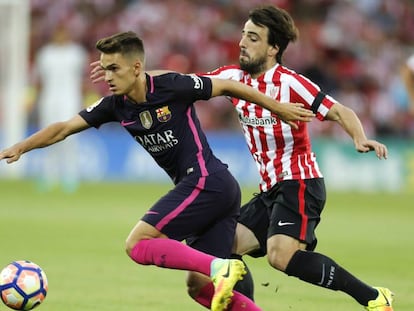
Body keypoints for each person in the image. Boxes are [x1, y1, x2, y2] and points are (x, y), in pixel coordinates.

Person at [90, 5, 394, 311]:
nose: (242, 43)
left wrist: (359, 137)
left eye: (253, 38)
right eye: (243, 36)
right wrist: (137, 76)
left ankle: (372, 298)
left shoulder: (290, 83)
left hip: (299, 182)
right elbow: (176, 81)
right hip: (269, 190)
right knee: (226, 248)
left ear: (274, 48)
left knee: (280, 255)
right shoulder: (232, 76)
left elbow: (340, 110)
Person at [0, 31, 314, 311]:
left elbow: (228, 85)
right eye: (104, 68)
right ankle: (225, 275)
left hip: (207, 180)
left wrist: (278, 107)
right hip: (215, 189)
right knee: (199, 287)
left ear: (137, 68)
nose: (107, 77)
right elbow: (64, 128)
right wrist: (21, 147)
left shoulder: (171, 85)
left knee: (136, 244)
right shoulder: (115, 105)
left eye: (114, 68)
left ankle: (221, 267)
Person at [33, 25, 88, 192]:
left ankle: (70, 178)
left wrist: (85, 98)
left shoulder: (77, 53)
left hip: (70, 99)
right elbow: (40, 80)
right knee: (46, 136)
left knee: (70, 138)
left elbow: (83, 79)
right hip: (49, 100)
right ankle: (49, 177)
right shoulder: (45, 54)